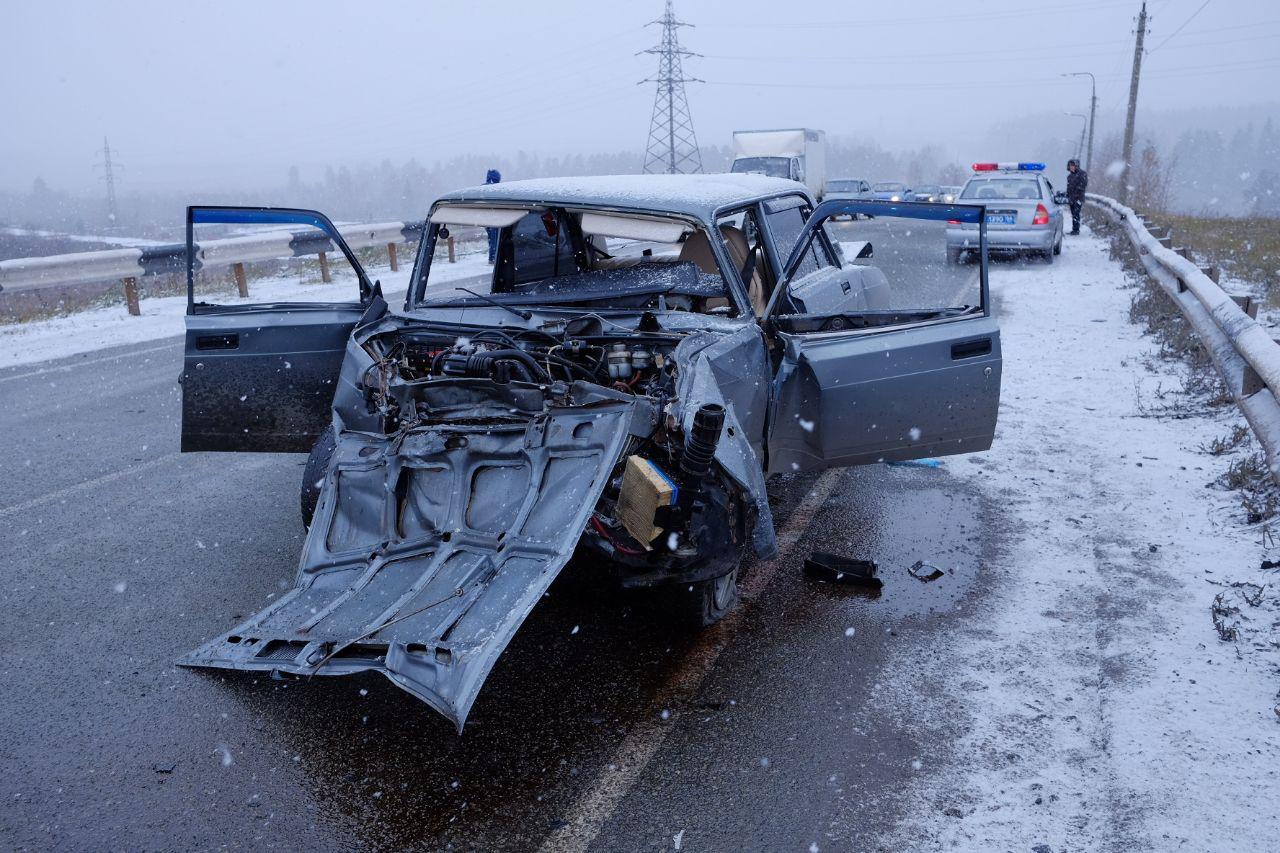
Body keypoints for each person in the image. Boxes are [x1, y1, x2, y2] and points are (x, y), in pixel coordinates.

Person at [1066, 158, 1088, 236]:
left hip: (1078, 198)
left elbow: (1083, 185)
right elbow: (1068, 188)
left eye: (1073, 165)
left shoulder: (1082, 174)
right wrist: (1067, 195)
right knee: (1073, 213)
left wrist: (1076, 193)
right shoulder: (1069, 176)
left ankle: (1076, 230)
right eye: (1070, 165)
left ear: (1077, 166)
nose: (1071, 167)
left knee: (1076, 213)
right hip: (1071, 198)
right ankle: (1074, 229)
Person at [485, 168, 502, 262]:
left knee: (491, 239)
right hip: (495, 217)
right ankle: (493, 257)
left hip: (486, 218)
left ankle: (492, 256)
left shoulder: (483, 187)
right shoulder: (496, 188)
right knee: (495, 238)